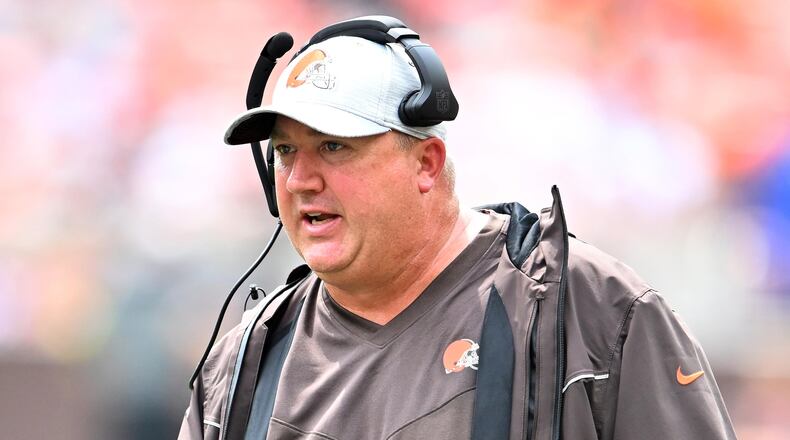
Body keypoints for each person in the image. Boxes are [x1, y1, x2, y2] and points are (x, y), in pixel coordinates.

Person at [179, 16, 737, 440]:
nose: (300, 179)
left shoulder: (589, 309)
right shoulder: (242, 367)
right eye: (283, 151)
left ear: (426, 163)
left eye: (333, 147)